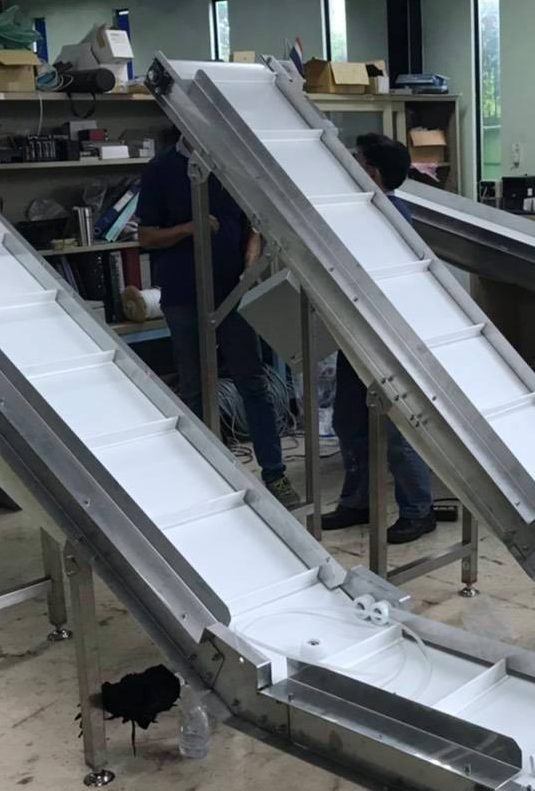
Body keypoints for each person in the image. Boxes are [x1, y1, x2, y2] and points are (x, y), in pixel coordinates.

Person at [138, 135, 301, 508]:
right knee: (194, 387)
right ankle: (204, 478)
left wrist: (250, 265)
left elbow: (253, 226)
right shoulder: (161, 169)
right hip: (184, 293)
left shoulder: (231, 163)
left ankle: (274, 474)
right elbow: (146, 236)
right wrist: (187, 229)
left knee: (253, 382)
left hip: (233, 292)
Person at [322, 133, 436, 544]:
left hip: (388, 337)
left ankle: (418, 510)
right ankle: (358, 501)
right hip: (356, 332)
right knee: (349, 421)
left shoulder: (390, 216)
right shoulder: (361, 210)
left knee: (399, 429)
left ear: (371, 172)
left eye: (356, 159)